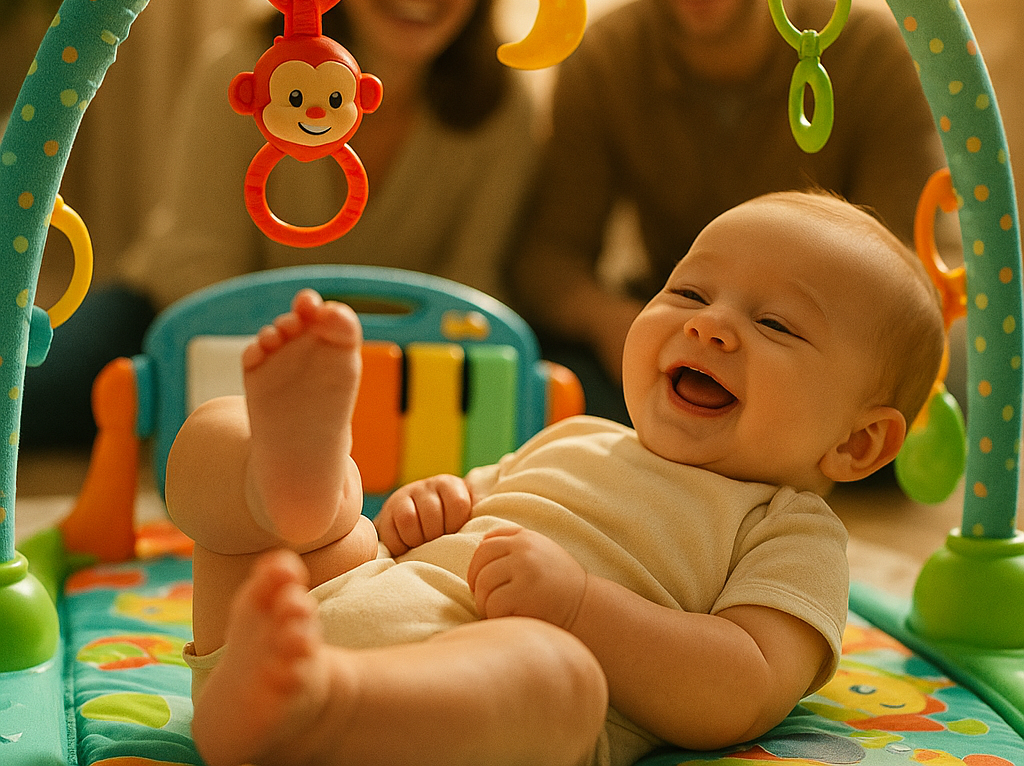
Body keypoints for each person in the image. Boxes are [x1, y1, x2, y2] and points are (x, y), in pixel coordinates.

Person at [164, 189, 945, 766]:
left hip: (451, 715)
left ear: (858, 441)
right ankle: (289, 488)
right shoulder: (579, 433)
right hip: (302, 614)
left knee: (559, 678)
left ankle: (328, 706)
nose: (709, 325)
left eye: (774, 324)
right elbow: (460, 515)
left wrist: (578, 609)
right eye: (689, 292)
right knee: (224, 435)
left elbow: (742, 686)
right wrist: (433, 505)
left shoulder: (791, 528)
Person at [20, 0, 538, 448]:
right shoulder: (243, 67)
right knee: (26, 391)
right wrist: (276, 369)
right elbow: (196, 259)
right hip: (178, 320)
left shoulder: (504, 105)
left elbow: (475, 283)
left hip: (402, 365)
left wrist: (352, 377)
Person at [509, 0, 954, 423]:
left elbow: (910, 275)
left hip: (836, 366)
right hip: (688, 356)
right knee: (549, 386)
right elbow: (547, 260)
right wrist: (619, 324)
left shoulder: (874, 55)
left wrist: (782, 364)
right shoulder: (604, 58)